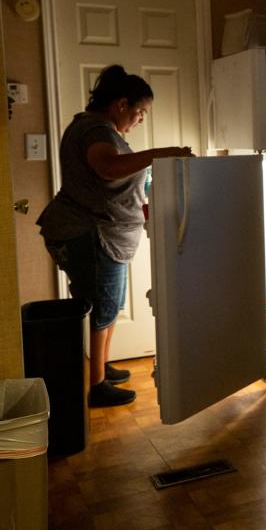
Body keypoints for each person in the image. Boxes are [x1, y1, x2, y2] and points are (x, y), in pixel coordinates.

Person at [37, 65, 194, 408]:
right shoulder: (96, 130)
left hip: (101, 232)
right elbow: (106, 167)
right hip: (91, 233)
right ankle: (97, 387)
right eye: (140, 113)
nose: (140, 120)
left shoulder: (97, 127)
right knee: (101, 310)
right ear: (122, 105)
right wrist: (161, 154)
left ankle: (101, 371)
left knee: (107, 306)